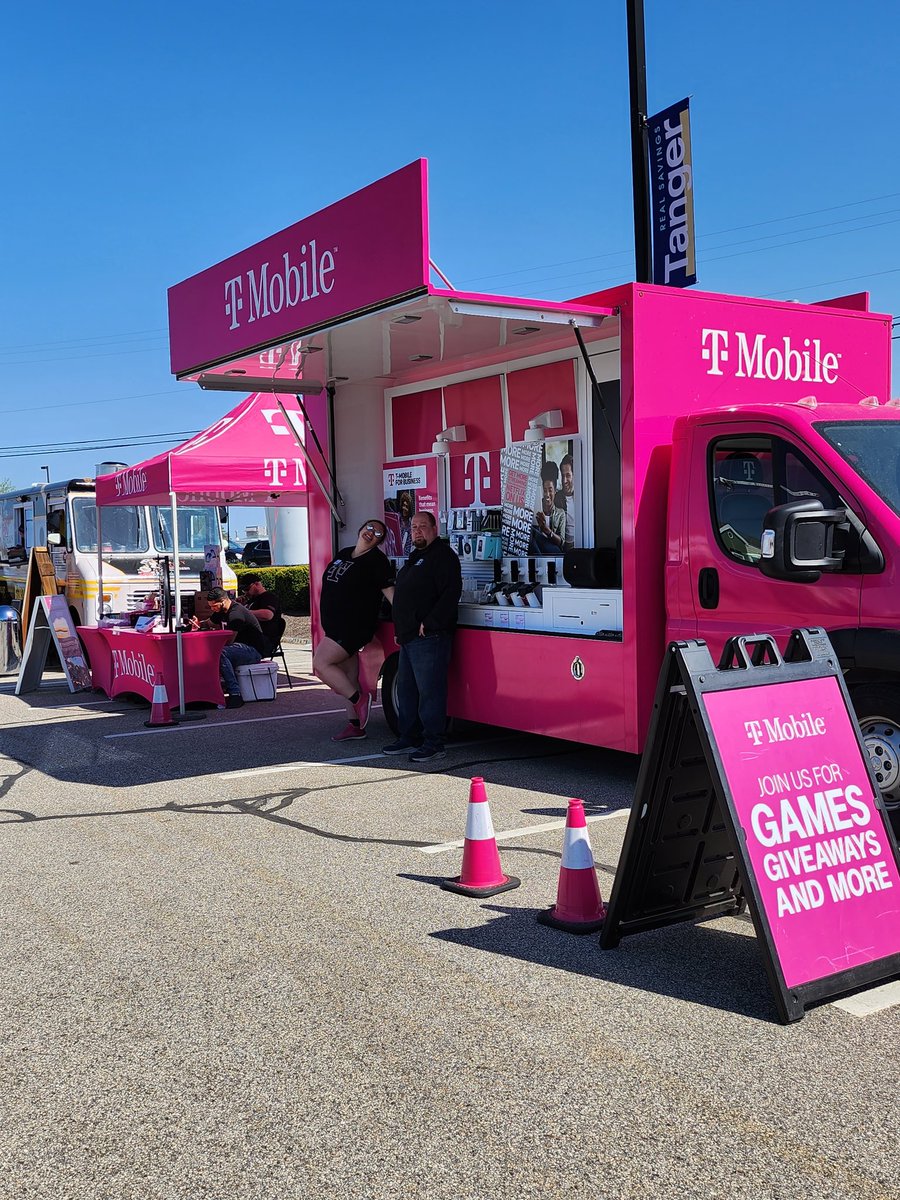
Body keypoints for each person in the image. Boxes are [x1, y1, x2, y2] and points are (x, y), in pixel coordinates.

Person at [383, 511, 462, 763]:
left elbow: (451, 594)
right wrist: (401, 630)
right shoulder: (416, 557)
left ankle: (434, 743)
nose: (417, 531)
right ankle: (409, 737)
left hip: (430, 637)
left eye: (423, 526)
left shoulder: (444, 556)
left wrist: (429, 623)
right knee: (407, 690)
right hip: (408, 638)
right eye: (414, 527)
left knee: (430, 692)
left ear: (434, 528)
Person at [312, 519, 395, 742]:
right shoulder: (345, 553)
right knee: (349, 674)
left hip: (352, 626)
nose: (371, 533)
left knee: (321, 664)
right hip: (335, 625)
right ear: (361, 529)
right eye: (369, 527)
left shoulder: (377, 561)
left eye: (378, 533)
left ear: (379, 542)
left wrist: (408, 617)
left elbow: (390, 594)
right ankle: (355, 726)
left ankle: (359, 700)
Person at [189, 586, 267, 709]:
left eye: (214, 606)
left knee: (221, 653)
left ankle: (235, 693)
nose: (212, 609)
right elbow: (209, 623)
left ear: (223, 601)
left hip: (252, 650)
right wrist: (198, 624)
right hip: (238, 648)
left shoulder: (236, 613)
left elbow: (229, 640)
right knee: (213, 652)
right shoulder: (221, 611)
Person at [529, 461, 566, 555]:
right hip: (538, 548)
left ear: (555, 491)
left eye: (550, 490)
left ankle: (538, 559)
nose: (547, 494)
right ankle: (539, 559)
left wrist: (546, 530)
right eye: (545, 490)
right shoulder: (536, 508)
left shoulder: (560, 513)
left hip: (554, 551)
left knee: (532, 533)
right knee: (530, 531)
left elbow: (562, 543)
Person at [241, 574, 282, 652]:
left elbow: (267, 615)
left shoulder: (269, 597)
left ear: (257, 584)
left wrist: (244, 612)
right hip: (251, 639)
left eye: (247, 589)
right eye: (244, 590)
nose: (246, 592)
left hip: (263, 640)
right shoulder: (252, 599)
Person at [557, 452, 577, 549]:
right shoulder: (557, 498)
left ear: (574, 475)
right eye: (562, 475)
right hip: (563, 546)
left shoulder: (581, 498)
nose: (564, 480)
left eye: (568, 475)